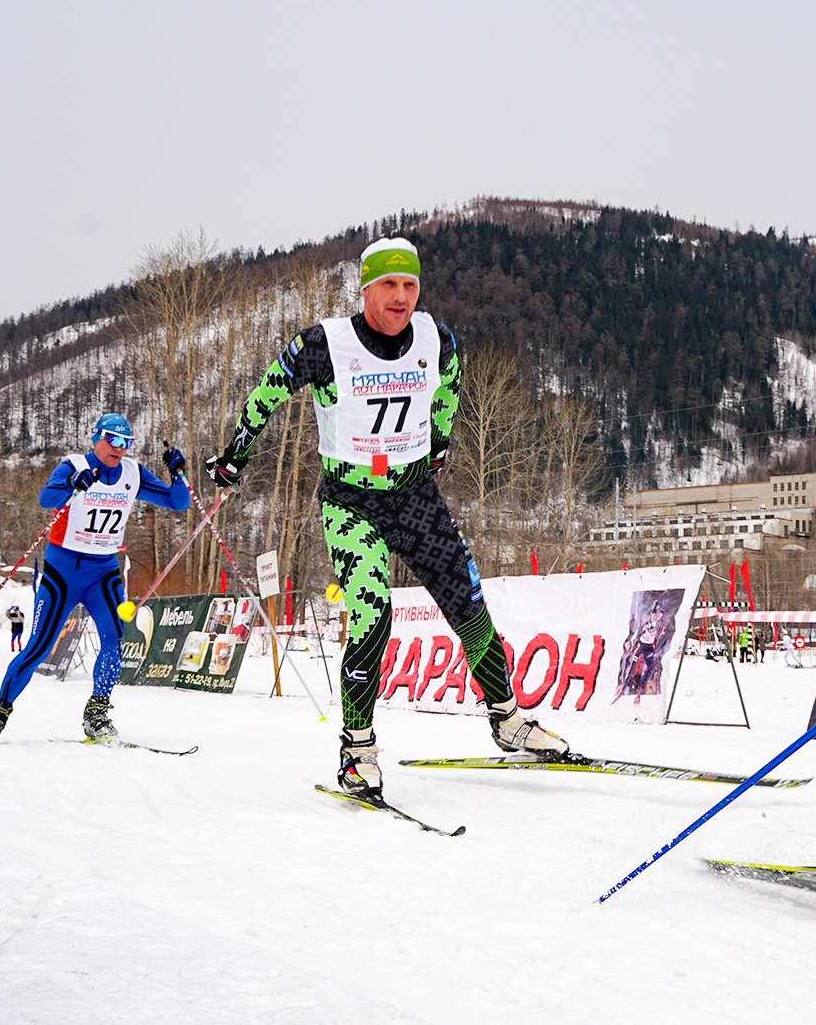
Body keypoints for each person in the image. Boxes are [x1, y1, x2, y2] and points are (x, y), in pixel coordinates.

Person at [205, 237, 568, 798]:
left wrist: (441, 440)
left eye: (410, 285)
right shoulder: (324, 344)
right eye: (389, 285)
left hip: (415, 495)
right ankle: (357, 749)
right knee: (373, 619)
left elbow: (450, 386)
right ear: (366, 288)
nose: (401, 297)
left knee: (469, 610)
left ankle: (507, 718)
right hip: (353, 502)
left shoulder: (436, 337)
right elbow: (266, 396)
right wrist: (234, 456)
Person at [0, 414, 190, 752]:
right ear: (96, 439)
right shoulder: (73, 465)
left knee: (115, 641)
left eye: (126, 442)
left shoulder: (132, 474)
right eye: (112, 440)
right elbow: (47, 500)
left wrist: (178, 474)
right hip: (64, 570)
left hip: (103, 571)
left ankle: (97, 713)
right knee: (38, 648)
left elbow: (178, 503)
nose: (119, 448)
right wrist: (73, 482)